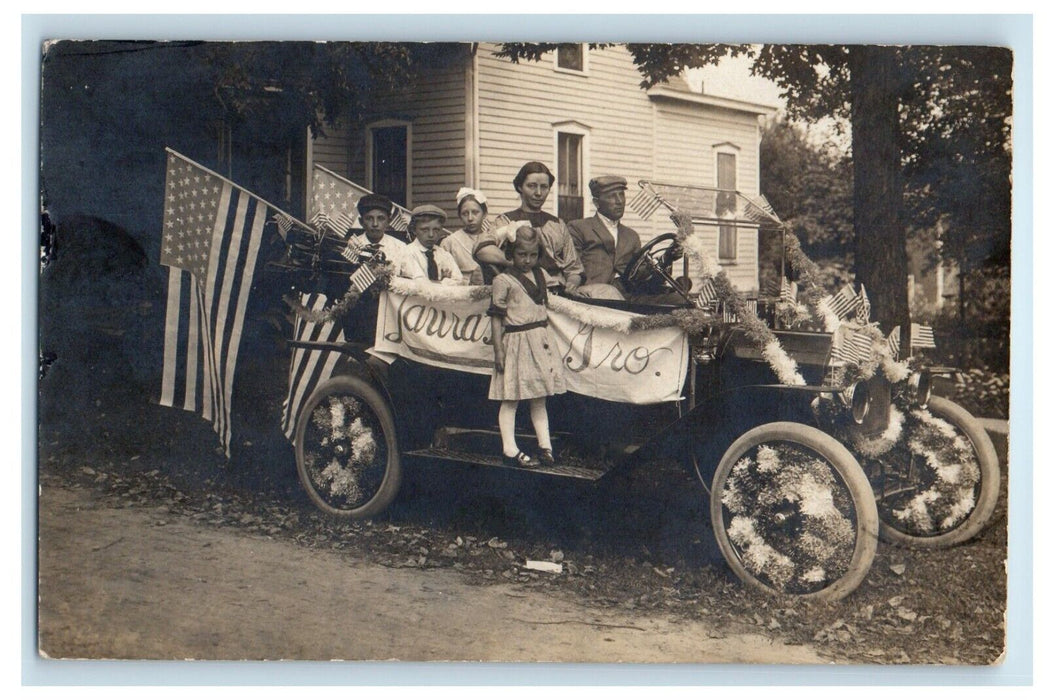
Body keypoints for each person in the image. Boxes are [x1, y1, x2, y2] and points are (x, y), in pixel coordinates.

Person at [487, 223, 565, 468]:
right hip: (516, 343)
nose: (527, 260)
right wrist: (498, 351)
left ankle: (545, 447)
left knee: (539, 397)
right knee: (511, 397)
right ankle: (509, 449)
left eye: (533, 255)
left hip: (540, 342)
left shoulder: (541, 275)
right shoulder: (503, 280)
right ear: (510, 253)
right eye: (521, 254)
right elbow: (497, 318)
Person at [473, 161, 583, 294]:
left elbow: (574, 268)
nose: (538, 193)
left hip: (558, 290)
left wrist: (571, 284)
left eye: (544, 187)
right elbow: (482, 250)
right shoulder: (505, 220)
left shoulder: (558, 224)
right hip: (521, 290)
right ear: (520, 187)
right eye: (531, 186)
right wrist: (517, 263)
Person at [568, 175, 642, 300]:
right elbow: (573, 268)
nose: (619, 201)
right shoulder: (579, 228)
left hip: (629, 298)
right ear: (596, 203)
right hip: (592, 299)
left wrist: (668, 258)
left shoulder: (631, 236)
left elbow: (640, 273)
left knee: (677, 299)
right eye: (612, 196)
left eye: (621, 195)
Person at [397, 205, 464, 284]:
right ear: (414, 230)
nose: (431, 235)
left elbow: (459, 280)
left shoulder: (444, 254)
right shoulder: (407, 252)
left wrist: (438, 283)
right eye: (425, 230)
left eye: (436, 230)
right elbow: (420, 283)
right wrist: (444, 282)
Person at [440, 187, 487, 285]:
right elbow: (442, 279)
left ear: (484, 214)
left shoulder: (492, 239)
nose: (470, 218)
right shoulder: (450, 242)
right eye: (465, 213)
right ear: (460, 216)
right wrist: (468, 281)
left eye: (475, 212)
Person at [348, 193, 407, 268]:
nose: (375, 224)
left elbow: (411, 278)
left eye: (381, 218)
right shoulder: (351, 246)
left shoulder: (401, 248)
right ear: (361, 222)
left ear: (389, 221)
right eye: (369, 218)